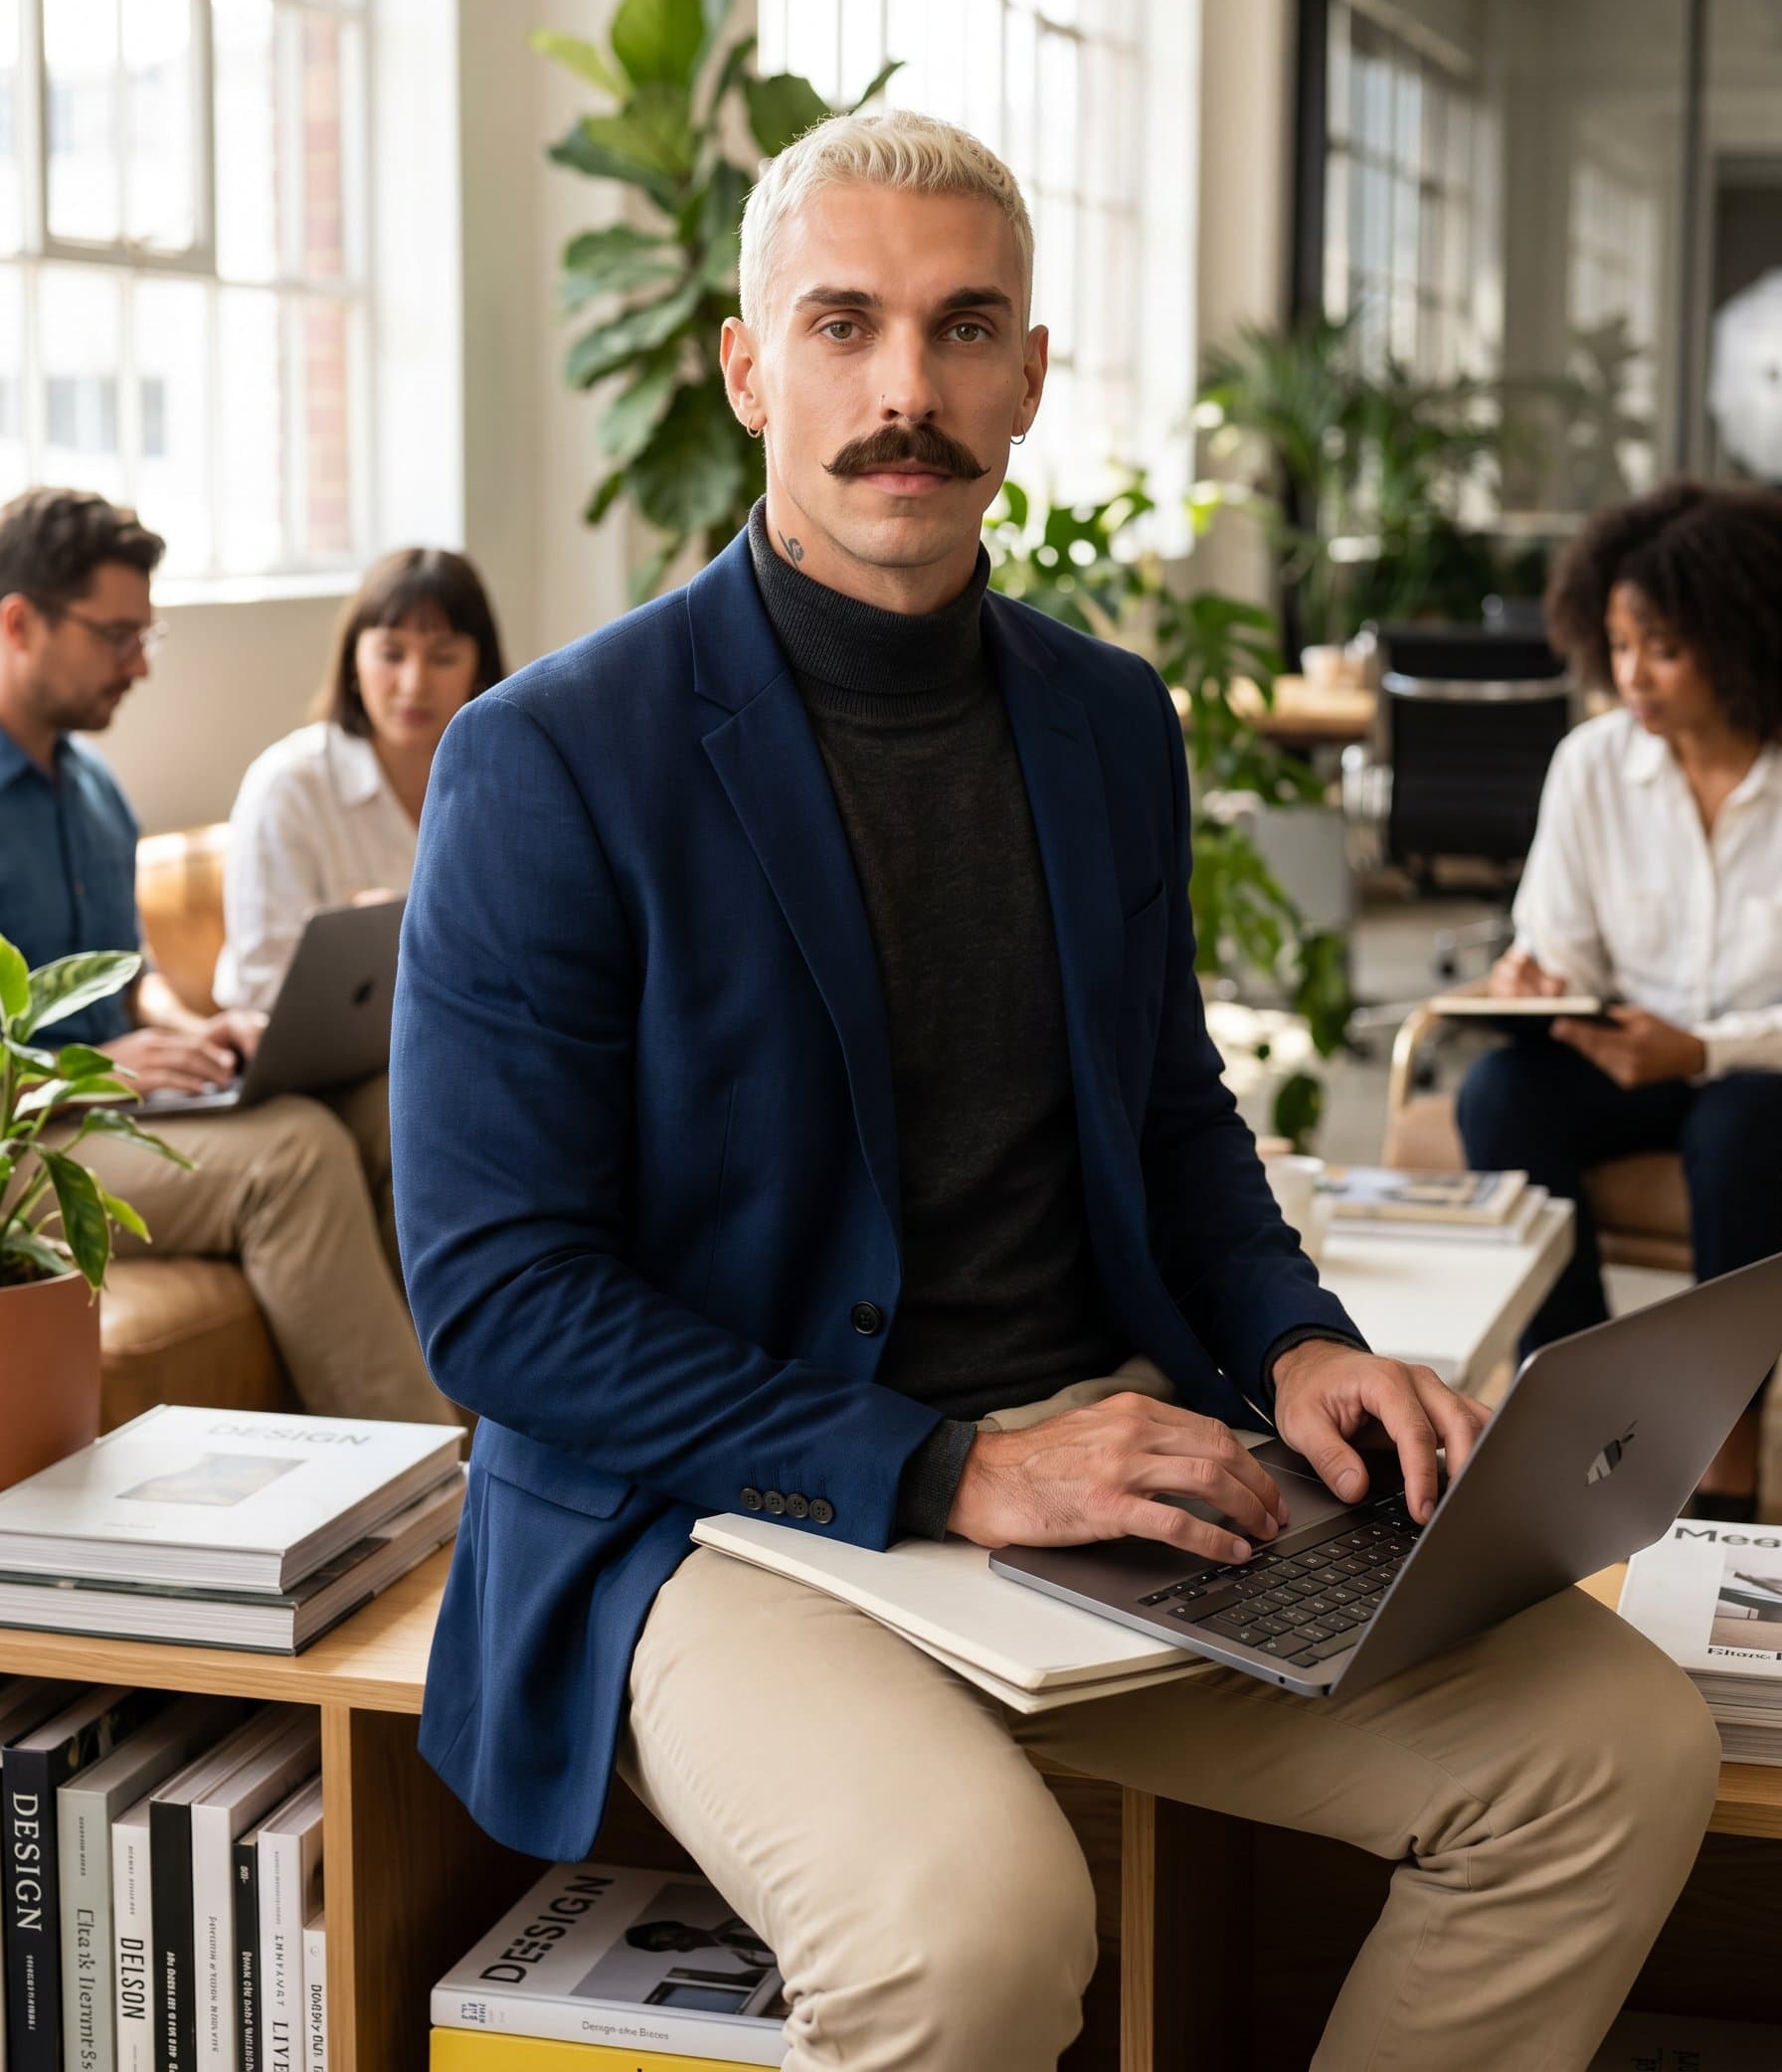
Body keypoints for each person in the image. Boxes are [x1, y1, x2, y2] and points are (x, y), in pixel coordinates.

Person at [392, 113, 1717, 2072]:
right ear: (749, 367)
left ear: (1029, 372)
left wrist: (1290, 1344)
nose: (903, 389)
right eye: (841, 326)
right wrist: (944, 1467)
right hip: (718, 1513)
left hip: (1107, 1484)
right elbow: (495, 1303)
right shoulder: (547, 760)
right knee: (973, 1933)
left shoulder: (1105, 721)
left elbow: (1165, 1110)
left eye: (960, 327)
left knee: (1613, 1753)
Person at [0, 486, 453, 1424]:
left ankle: (509, 1439)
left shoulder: (91, 791)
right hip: (21, 1138)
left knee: (391, 1110)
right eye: (117, 636)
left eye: (146, 638)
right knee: (291, 1156)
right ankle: (436, 1497)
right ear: (19, 623)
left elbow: (127, 980)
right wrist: (73, 1071)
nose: (140, 665)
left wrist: (201, 1030)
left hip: (110, 1107)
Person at [1458, 478, 1782, 1514]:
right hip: (1629, 1054)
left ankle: (1727, 1443)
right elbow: (1563, 947)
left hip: (1756, 1074)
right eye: (1619, 644)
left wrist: (1702, 1053)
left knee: (1741, 1129)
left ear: (1741, 641)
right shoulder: (1592, 764)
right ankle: (1588, 1401)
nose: (1631, 676)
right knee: (1498, 1095)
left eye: (1665, 649)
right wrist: (1535, 981)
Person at [215, 547, 505, 1013]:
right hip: (317, 1053)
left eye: (444, 657)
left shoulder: (504, 780)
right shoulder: (289, 784)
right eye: (391, 655)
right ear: (354, 661)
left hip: (461, 1036)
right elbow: (259, 983)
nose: (414, 684)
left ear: (479, 669)